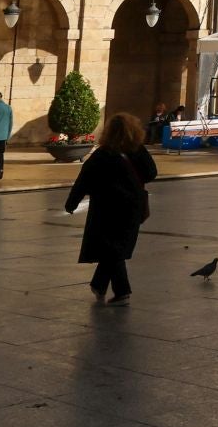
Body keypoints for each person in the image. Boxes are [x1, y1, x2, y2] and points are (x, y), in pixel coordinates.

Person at [64, 112, 156, 304]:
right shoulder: (137, 150)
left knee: (111, 248)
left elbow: (84, 180)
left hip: (107, 208)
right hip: (133, 207)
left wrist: (72, 202)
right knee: (114, 247)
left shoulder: (103, 154)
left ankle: (122, 292)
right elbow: (151, 173)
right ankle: (98, 285)